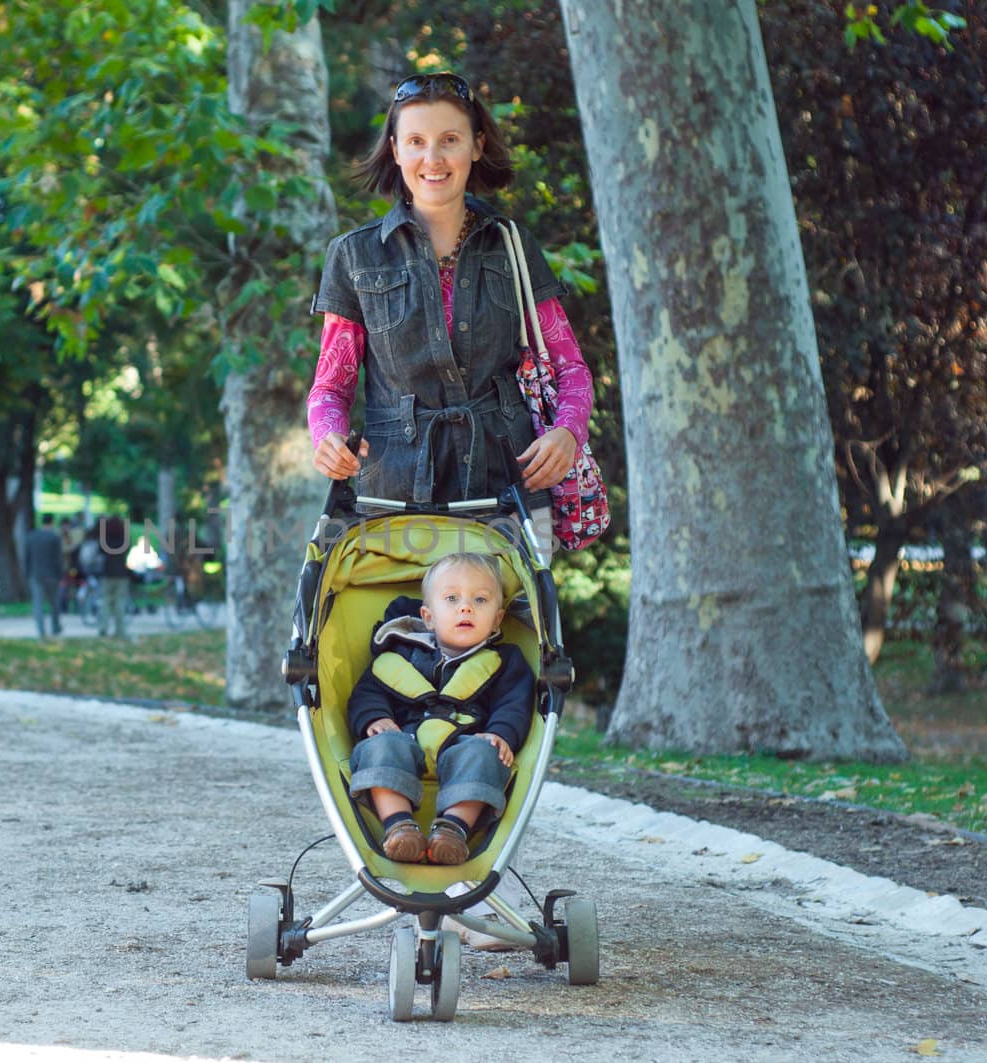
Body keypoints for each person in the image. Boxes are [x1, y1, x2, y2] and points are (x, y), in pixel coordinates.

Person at [308, 72, 595, 519]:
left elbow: (571, 368)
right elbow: (330, 387)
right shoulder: (353, 255)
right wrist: (327, 435)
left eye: (449, 139)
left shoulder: (513, 244)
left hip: (511, 492)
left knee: (511, 594)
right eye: (417, 141)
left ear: (476, 146)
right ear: (395, 148)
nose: (433, 158)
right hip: (393, 499)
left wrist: (567, 433)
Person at [345, 552, 534, 866]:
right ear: (428, 616)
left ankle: (453, 829)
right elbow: (367, 692)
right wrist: (376, 718)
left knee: (486, 754)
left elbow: (514, 704)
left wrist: (501, 734)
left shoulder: (506, 661)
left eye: (480, 600)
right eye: (451, 598)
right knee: (378, 746)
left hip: (465, 741)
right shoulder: (401, 653)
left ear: (498, 618)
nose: (466, 607)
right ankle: (398, 825)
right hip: (404, 736)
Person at [23, 513, 66, 638]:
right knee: (54, 603)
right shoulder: (54, 537)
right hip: (52, 575)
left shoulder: (31, 537)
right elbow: (58, 558)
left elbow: (27, 558)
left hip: (35, 574)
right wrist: (60, 574)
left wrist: (27, 574)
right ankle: (55, 627)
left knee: (38, 604)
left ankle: (41, 631)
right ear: (52, 522)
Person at [97, 515, 133, 639]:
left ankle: (103, 627)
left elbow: (100, 552)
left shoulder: (104, 539)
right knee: (120, 602)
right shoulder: (125, 539)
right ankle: (120, 630)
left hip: (107, 573)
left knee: (106, 602)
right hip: (122, 573)